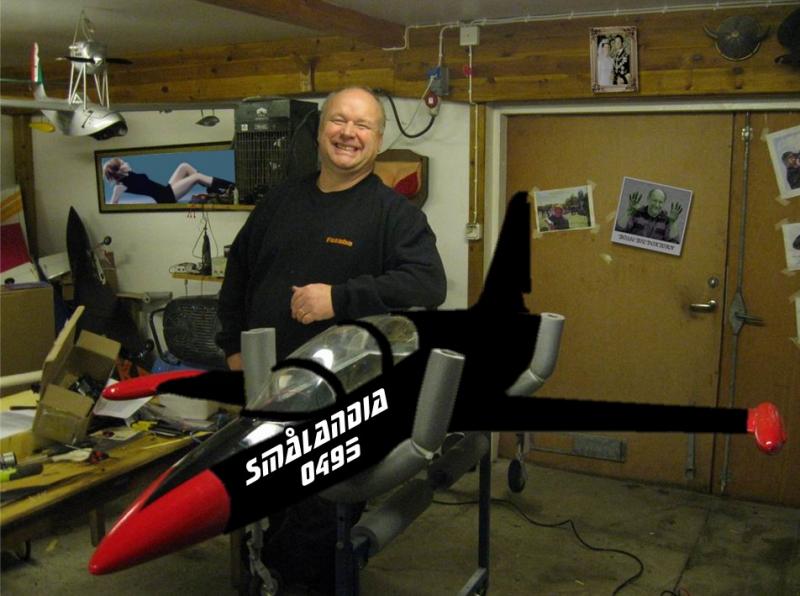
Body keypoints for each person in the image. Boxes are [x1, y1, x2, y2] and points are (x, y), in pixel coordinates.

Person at [216, 86, 446, 593]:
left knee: (315, 532)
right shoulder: (279, 202)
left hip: (342, 403)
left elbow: (428, 284)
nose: (349, 133)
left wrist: (338, 299)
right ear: (320, 132)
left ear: (378, 140)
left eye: (363, 125)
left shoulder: (394, 214)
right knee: (268, 509)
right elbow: (237, 277)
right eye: (339, 121)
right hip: (268, 393)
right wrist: (232, 349)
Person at [103, 158, 234, 204]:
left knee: (184, 166)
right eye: (122, 163)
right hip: (166, 197)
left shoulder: (129, 174)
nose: (126, 163)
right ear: (118, 170)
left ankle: (215, 190)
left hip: (166, 190)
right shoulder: (120, 186)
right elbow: (114, 204)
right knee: (196, 177)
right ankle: (231, 187)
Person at [616, 187, 683, 243]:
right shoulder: (636, 212)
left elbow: (674, 243)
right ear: (648, 199)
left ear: (663, 203)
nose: (657, 205)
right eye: (654, 200)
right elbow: (618, 231)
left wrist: (673, 222)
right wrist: (629, 212)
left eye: (660, 202)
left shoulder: (667, 221)